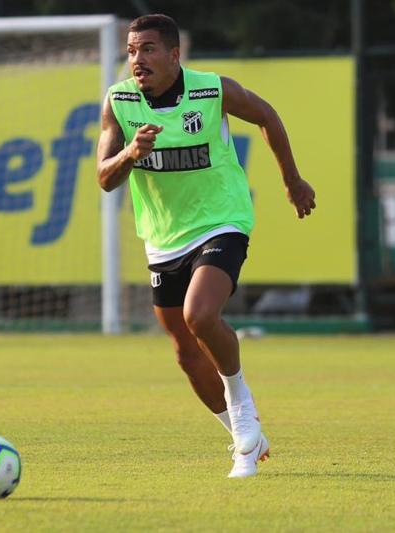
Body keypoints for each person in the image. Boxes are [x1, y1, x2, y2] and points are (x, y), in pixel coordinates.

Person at [96, 14, 316, 478]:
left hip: (222, 222)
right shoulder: (118, 102)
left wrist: (292, 181)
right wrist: (130, 155)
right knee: (185, 351)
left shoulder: (212, 90)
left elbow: (267, 115)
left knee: (200, 316)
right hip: (162, 239)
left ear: (175, 55)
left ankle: (243, 408)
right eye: (132, 51)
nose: (138, 60)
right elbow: (104, 178)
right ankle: (244, 439)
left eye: (149, 49)